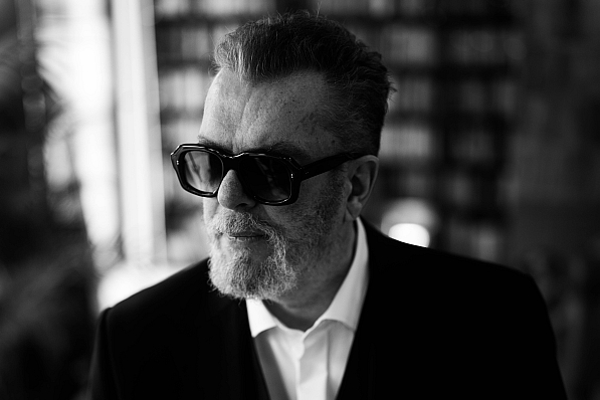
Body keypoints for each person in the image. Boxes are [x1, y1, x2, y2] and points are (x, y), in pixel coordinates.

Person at [89, 11, 567, 400]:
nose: (227, 197)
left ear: (355, 186)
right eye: (211, 162)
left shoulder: (497, 321)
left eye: (269, 170)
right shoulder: (132, 342)